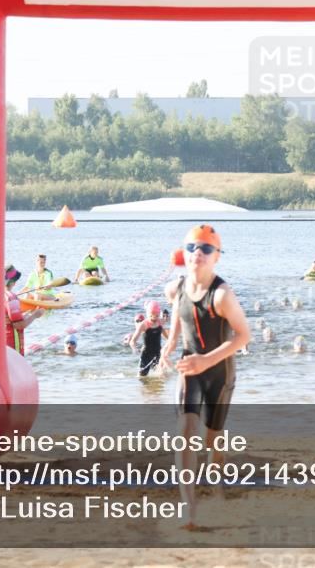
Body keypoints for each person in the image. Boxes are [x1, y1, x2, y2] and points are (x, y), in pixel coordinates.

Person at [159, 224, 250, 530]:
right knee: (184, 433)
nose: (198, 253)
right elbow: (176, 309)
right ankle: (189, 508)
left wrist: (206, 360)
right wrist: (171, 342)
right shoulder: (175, 287)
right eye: (192, 248)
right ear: (184, 254)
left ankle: (217, 463)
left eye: (206, 249)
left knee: (212, 444)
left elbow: (243, 336)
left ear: (216, 257)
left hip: (219, 373)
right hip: (190, 369)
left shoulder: (222, 295)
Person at [4, 264, 45, 356]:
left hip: (1, 346)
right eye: (15, 280)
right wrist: (35, 315)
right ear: (12, 282)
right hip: (13, 348)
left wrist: (27, 314)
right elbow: (19, 325)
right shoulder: (11, 298)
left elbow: (9, 319)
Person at [129, 300, 168, 376]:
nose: (154, 319)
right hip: (146, 354)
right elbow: (132, 341)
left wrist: (169, 344)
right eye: (152, 316)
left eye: (157, 316)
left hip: (158, 352)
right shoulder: (143, 324)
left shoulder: (160, 322)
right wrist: (135, 349)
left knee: (162, 375)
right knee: (142, 377)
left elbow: (165, 335)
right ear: (148, 314)